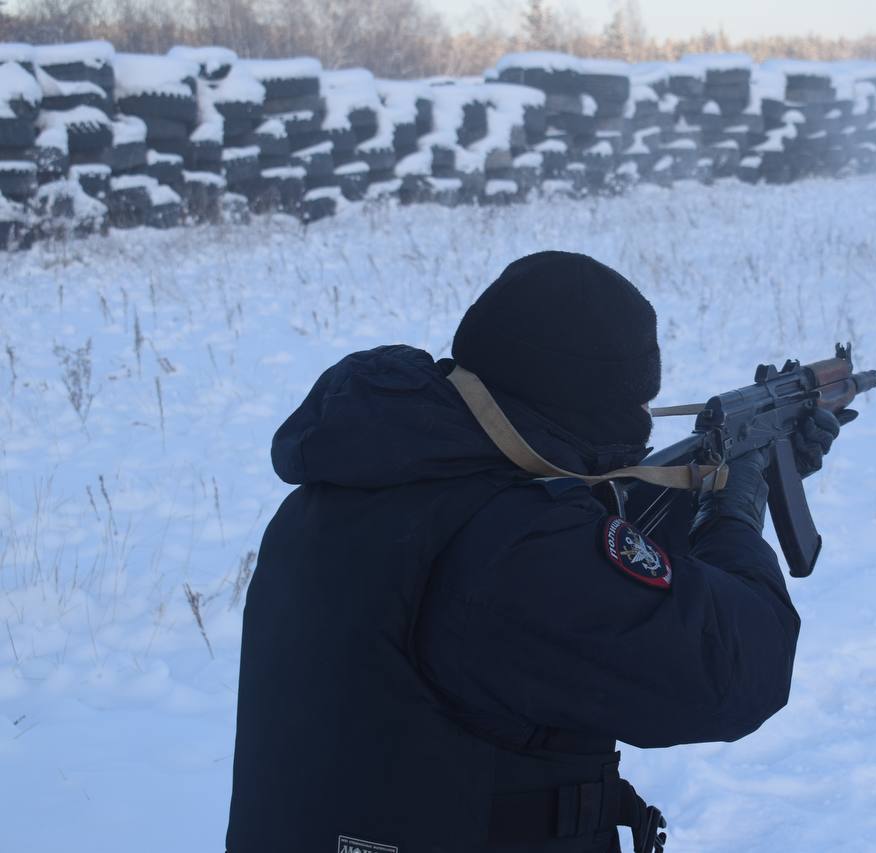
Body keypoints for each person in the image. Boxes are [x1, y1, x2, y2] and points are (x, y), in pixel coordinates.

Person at [225, 251, 840, 853]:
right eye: (638, 402)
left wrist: (721, 486)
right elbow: (739, 667)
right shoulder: (512, 548)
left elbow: (587, 580)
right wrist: (733, 507)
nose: (646, 418)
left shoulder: (351, 486)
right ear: (588, 401)